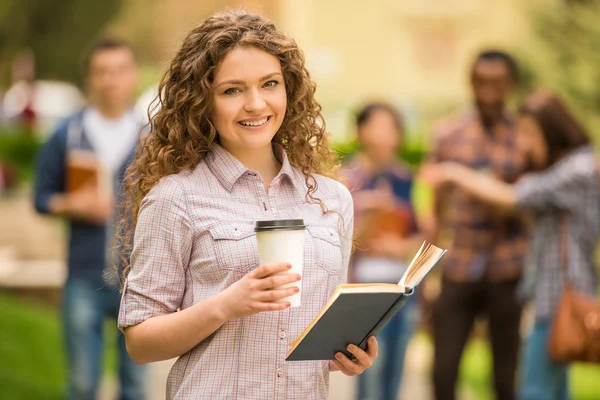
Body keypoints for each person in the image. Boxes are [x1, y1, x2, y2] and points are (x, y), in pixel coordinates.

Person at [115, 11, 378, 400]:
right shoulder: (176, 199)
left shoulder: (330, 199)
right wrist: (226, 305)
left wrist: (346, 353)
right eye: (232, 90)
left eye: (269, 84)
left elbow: (313, 330)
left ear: (289, 89)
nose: (256, 104)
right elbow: (140, 342)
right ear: (202, 101)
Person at [422, 91, 599, 400]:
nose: (526, 144)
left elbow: (512, 197)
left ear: (551, 128)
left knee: (535, 389)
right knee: (556, 388)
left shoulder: (577, 170)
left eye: (530, 133)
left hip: (560, 297)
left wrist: (453, 173)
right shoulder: (572, 168)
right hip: (555, 293)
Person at [33, 38, 146, 400]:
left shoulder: (152, 138)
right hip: (83, 278)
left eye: (118, 71)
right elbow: (41, 198)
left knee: (134, 386)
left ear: (132, 77)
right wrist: (71, 204)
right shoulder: (67, 133)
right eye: (101, 72)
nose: (110, 80)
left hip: (140, 280)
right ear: (89, 79)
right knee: (82, 385)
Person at [427, 50, 531, 400]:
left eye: (497, 84)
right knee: (443, 373)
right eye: (480, 83)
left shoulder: (527, 136)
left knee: (505, 377)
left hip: (509, 267)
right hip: (460, 266)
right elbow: (435, 205)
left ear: (512, 85)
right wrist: (427, 270)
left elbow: (533, 202)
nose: (488, 92)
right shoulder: (447, 133)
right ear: (470, 83)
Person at [341, 103, 423, 400]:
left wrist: (402, 247)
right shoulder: (346, 180)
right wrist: (372, 213)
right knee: (367, 368)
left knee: (396, 366)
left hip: (402, 286)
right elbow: (342, 242)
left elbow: (425, 234)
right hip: (363, 287)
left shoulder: (407, 179)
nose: (386, 136)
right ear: (360, 131)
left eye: (392, 128)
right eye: (378, 126)